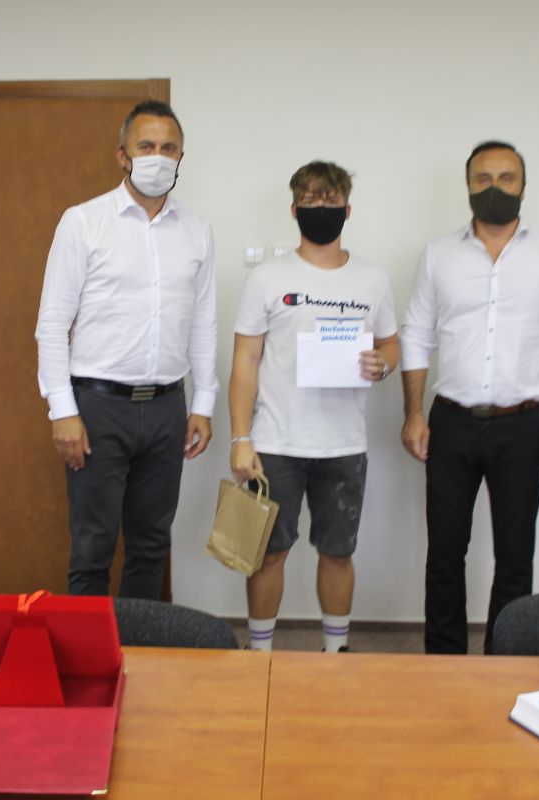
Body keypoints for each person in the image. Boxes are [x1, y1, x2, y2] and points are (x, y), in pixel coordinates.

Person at [399, 141, 539, 654]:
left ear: (524, 187)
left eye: (506, 178)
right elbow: (417, 335)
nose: (495, 188)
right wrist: (413, 413)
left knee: (515, 557)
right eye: (483, 179)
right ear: (468, 187)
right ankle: (442, 664)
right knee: (444, 555)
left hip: (522, 426)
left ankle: (504, 662)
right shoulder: (439, 255)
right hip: (450, 423)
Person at [35, 100, 218, 599]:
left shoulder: (197, 231)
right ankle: (87, 648)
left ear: (181, 157)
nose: (158, 157)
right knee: (92, 547)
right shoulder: (83, 222)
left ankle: (141, 645)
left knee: (151, 545)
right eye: (146, 146)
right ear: (122, 155)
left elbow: (203, 322)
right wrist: (62, 411)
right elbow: (52, 324)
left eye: (168, 148)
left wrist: (203, 403)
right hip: (98, 409)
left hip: (166, 409)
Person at [229, 161, 398, 653]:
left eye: (330, 200)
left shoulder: (373, 279)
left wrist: (383, 365)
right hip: (275, 443)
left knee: (338, 553)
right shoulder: (267, 278)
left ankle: (336, 653)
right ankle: (261, 654)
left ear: (347, 209)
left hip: (344, 444)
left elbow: (391, 345)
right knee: (268, 554)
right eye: (310, 200)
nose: (320, 207)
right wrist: (240, 438)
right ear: (294, 209)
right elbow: (245, 362)